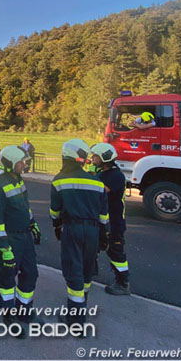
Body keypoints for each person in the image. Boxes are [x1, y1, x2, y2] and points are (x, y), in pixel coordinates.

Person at [49, 139, 109, 329]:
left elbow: (55, 211)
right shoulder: (96, 181)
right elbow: (103, 214)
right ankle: (82, 305)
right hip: (93, 230)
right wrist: (104, 235)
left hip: (72, 228)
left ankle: (75, 321)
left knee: (73, 270)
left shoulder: (59, 180)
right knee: (86, 269)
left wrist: (58, 227)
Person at [0, 146, 43, 333]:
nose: (24, 165)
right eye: (21, 162)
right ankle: (8, 315)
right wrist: (4, 248)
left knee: (31, 273)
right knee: (8, 276)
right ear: (11, 164)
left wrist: (33, 223)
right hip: (10, 238)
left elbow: (25, 206)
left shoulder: (18, 179)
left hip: (24, 235)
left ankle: (25, 311)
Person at [90, 143, 130, 296]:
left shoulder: (115, 176)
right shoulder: (103, 172)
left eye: (95, 156)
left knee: (115, 252)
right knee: (93, 247)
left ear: (105, 159)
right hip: (102, 220)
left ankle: (123, 283)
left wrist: (89, 178)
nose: (93, 159)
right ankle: (90, 273)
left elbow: (101, 190)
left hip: (114, 223)